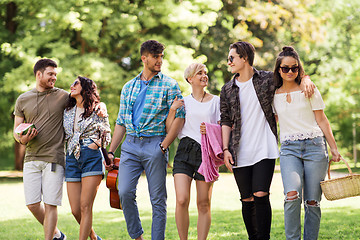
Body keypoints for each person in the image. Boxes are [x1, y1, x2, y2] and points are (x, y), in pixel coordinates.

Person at [220, 41, 315, 240]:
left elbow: (289, 74)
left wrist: (305, 78)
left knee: (261, 194)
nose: (228, 62)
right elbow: (226, 120)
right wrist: (225, 149)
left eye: (231, 58)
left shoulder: (266, 79)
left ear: (244, 58)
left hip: (265, 148)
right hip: (239, 150)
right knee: (246, 199)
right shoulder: (227, 89)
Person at [105, 40, 186, 240]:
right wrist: (110, 150)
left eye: (161, 57)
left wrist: (164, 145)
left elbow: (180, 117)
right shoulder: (128, 86)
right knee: (123, 192)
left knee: (158, 200)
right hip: (130, 145)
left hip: (155, 144)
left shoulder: (169, 85)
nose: (159, 61)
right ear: (144, 58)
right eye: (155, 57)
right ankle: (137, 237)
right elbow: (121, 122)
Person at [272, 46, 341, 240]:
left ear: (299, 69)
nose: (290, 72)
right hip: (289, 149)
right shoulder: (273, 94)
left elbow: (322, 120)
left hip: (315, 147)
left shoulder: (308, 88)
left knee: (312, 202)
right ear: (278, 69)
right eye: (285, 68)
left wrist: (334, 148)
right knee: (291, 195)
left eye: (294, 68)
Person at [13, 59, 67, 240]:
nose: (54, 78)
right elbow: (16, 131)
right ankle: (58, 235)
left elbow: (88, 100)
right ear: (39, 74)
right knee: (32, 204)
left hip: (54, 158)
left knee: (51, 204)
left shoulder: (63, 96)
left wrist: (101, 107)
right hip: (31, 158)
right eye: (50, 74)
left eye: (55, 74)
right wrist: (22, 138)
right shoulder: (23, 99)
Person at [169, 63, 220, 240]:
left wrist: (212, 129)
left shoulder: (216, 101)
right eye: (199, 73)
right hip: (184, 151)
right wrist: (173, 109)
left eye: (205, 73)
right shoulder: (183, 102)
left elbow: (225, 128)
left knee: (203, 203)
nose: (204, 76)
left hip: (206, 154)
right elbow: (170, 130)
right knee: (182, 199)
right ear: (190, 79)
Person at [63, 76, 111, 240]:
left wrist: (96, 144)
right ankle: (94, 237)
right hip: (71, 157)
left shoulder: (98, 109)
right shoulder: (67, 110)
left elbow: (107, 133)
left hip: (91, 157)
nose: (72, 86)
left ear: (86, 88)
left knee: (85, 206)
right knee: (75, 209)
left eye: (76, 83)